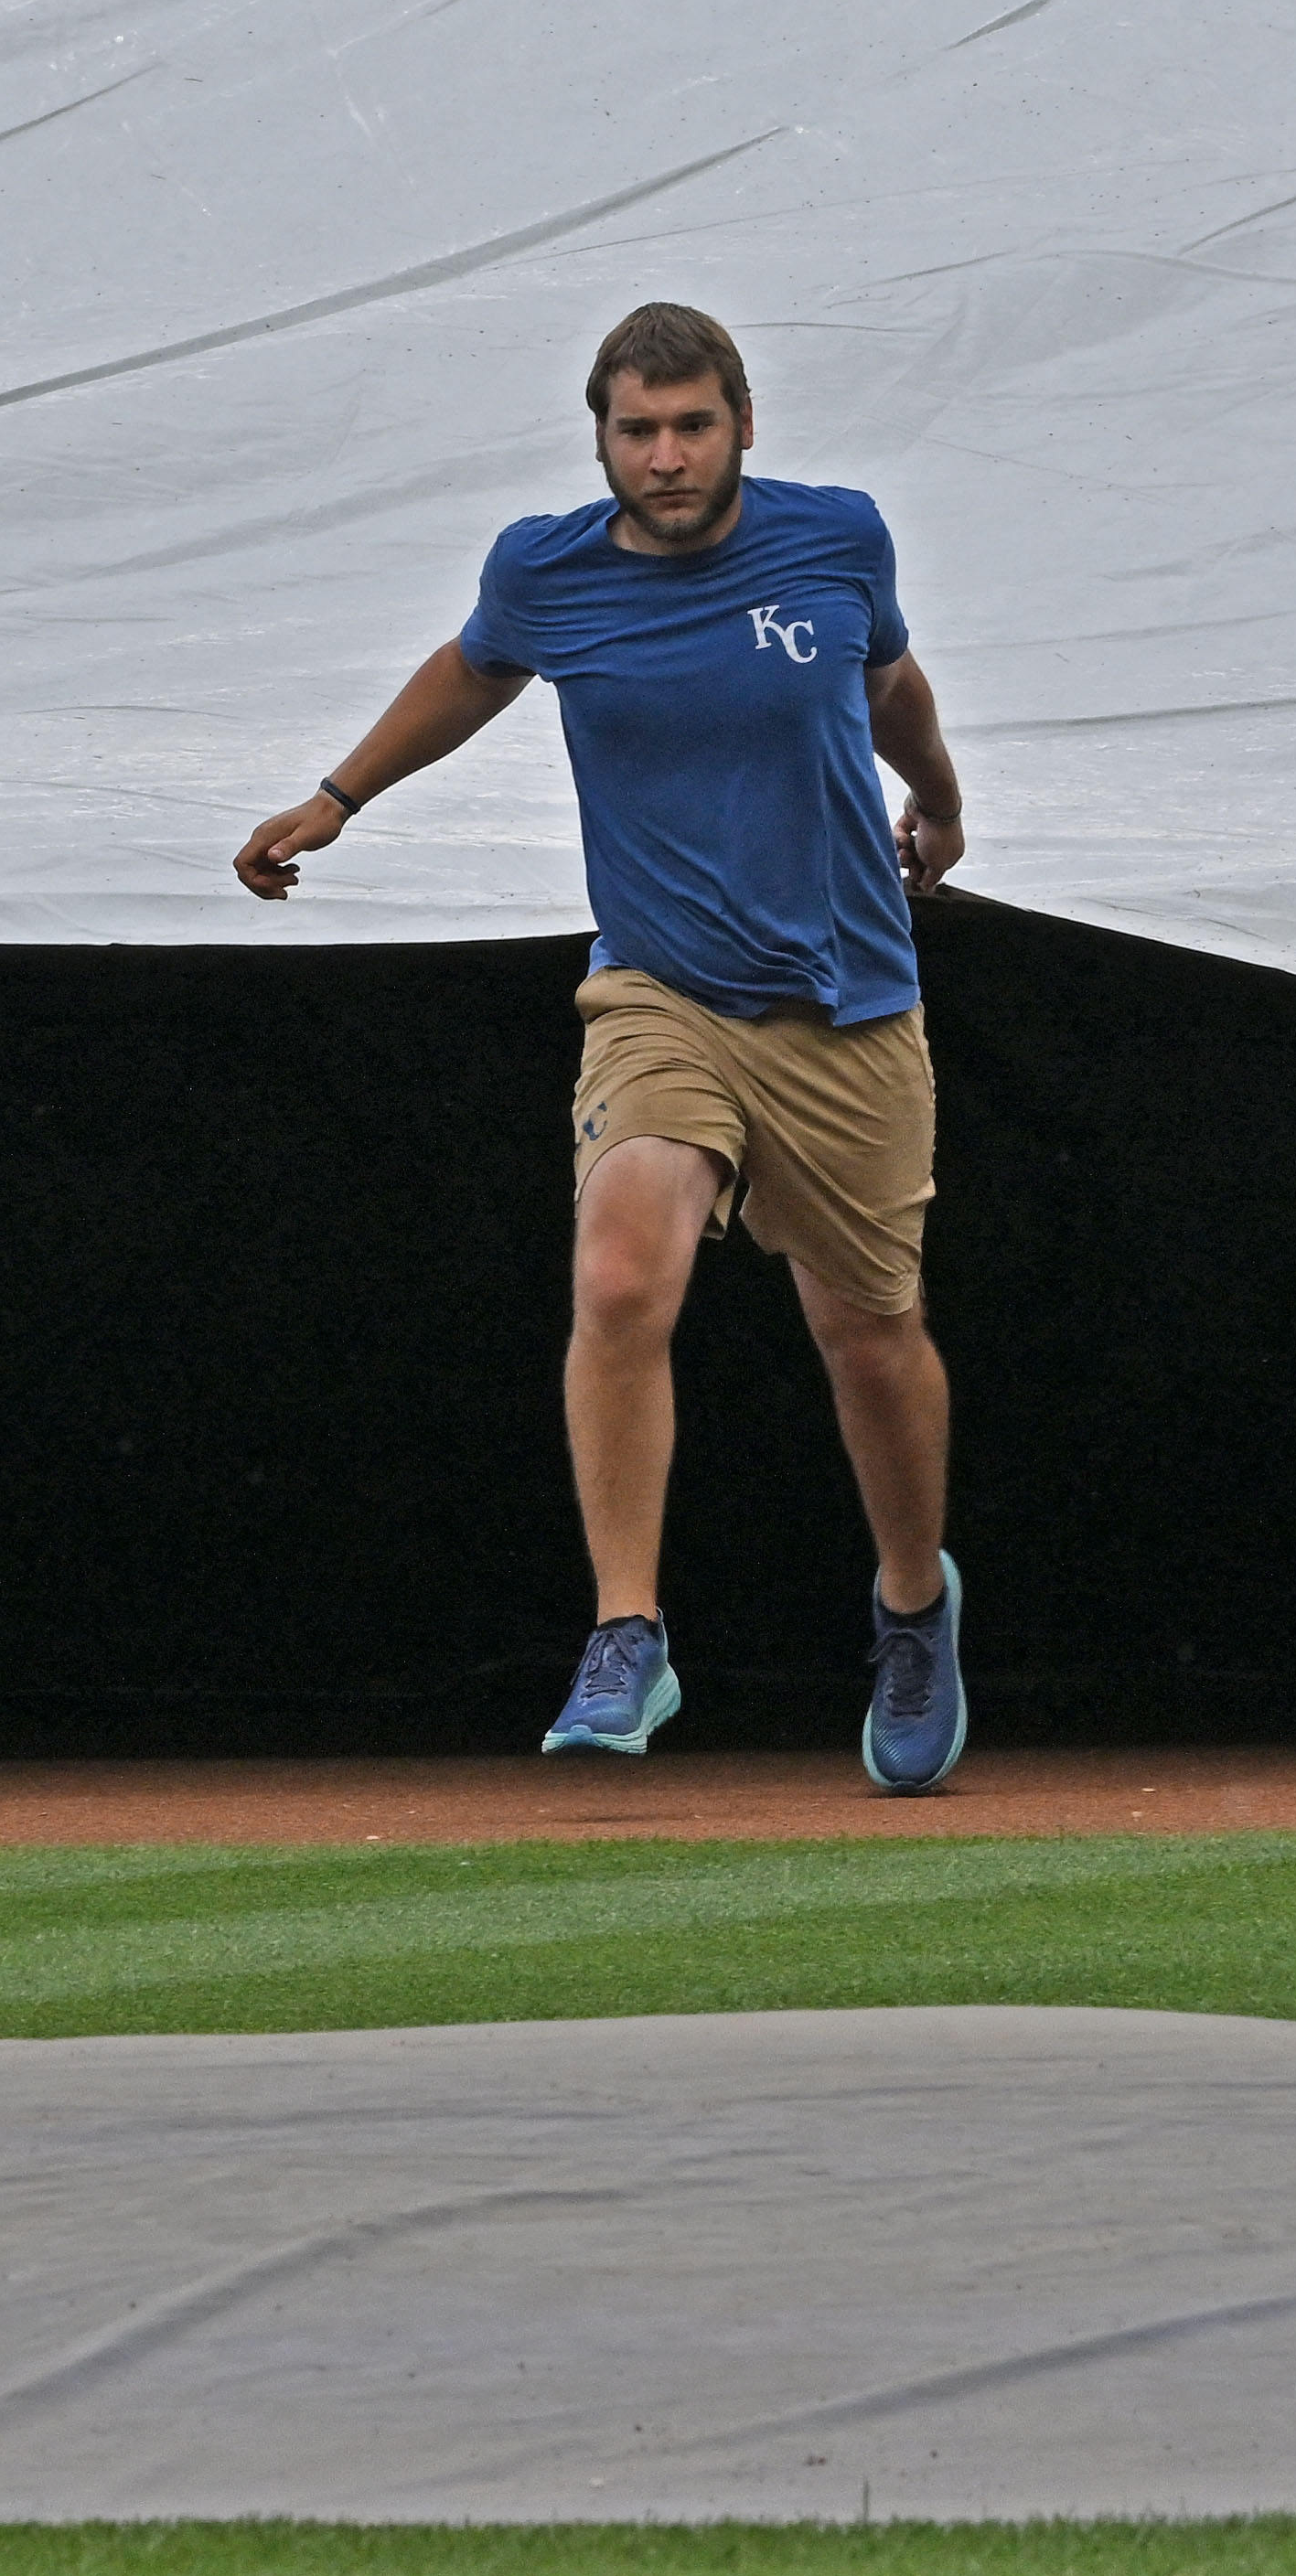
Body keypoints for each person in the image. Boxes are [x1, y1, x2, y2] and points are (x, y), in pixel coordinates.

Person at [238, 306, 976, 1790]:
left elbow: (887, 683)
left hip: (845, 1004)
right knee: (623, 1270)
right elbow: (473, 668)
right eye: (637, 430)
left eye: (692, 424)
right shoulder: (548, 569)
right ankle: (626, 1631)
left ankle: (912, 1606)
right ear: (601, 438)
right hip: (659, 990)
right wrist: (337, 797)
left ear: (744, 425)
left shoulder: (837, 541)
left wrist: (942, 804)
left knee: (867, 1338)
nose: (667, 456)